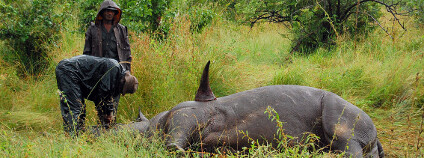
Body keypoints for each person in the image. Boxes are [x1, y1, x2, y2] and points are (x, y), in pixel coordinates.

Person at [82, 0, 133, 133]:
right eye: (107, 11)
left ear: (116, 13)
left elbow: (127, 51)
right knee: (100, 99)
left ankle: (110, 129)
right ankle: (102, 127)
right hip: (99, 72)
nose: (110, 13)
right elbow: (86, 52)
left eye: (112, 11)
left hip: (117, 72)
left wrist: (127, 71)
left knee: (114, 99)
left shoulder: (121, 29)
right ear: (102, 13)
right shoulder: (93, 29)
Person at [55, 55, 138, 136]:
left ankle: (78, 135)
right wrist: (108, 114)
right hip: (68, 70)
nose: (120, 92)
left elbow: (100, 99)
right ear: (123, 82)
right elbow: (104, 94)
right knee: (75, 108)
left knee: (80, 109)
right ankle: (72, 139)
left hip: (73, 73)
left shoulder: (117, 76)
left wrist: (105, 118)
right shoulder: (114, 68)